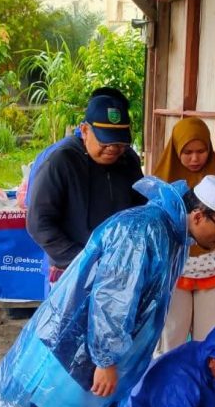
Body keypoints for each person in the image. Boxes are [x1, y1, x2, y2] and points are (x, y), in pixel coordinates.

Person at [0, 175, 215, 407]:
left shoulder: (170, 231)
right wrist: (105, 361)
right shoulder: (144, 230)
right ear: (197, 215)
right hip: (80, 346)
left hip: (100, 351)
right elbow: (113, 299)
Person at [26, 88, 145, 286]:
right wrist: (84, 260)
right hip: (71, 271)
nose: (113, 148)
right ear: (84, 130)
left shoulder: (128, 160)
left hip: (118, 269)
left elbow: (140, 208)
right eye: (105, 141)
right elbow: (39, 222)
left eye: (119, 142)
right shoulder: (61, 161)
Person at [152, 118, 215, 350]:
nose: (195, 158)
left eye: (201, 151)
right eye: (187, 152)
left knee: (210, 343)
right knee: (172, 341)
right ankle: (174, 386)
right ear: (175, 150)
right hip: (175, 276)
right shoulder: (162, 187)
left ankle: (205, 387)